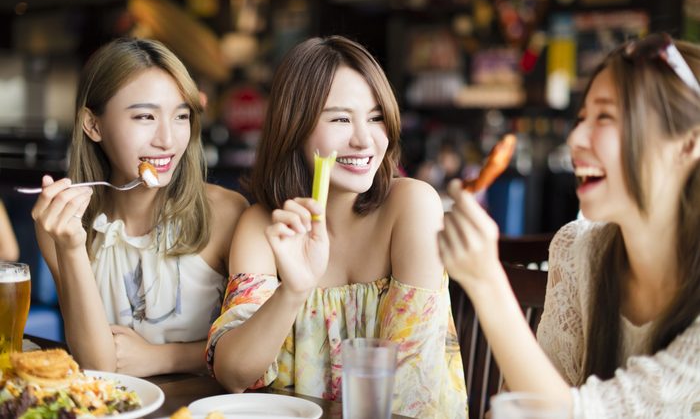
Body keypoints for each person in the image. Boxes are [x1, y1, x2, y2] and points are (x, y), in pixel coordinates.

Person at [439, 32, 700, 418]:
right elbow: (525, 404)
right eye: (581, 118)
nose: (576, 137)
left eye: (606, 117)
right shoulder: (579, 251)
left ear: (688, 144)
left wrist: (485, 280)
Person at [207, 36, 467, 418]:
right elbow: (232, 375)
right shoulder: (264, 224)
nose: (364, 139)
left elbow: (410, 388)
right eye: (341, 118)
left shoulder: (411, 205)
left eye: (376, 117)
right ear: (294, 128)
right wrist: (294, 290)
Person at [31, 38, 249, 377]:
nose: (168, 139)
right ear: (93, 125)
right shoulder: (65, 224)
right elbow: (96, 365)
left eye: (181, 116)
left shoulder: (225, 212)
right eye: (146, 116)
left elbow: (261, 347)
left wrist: (165, 358)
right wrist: (71, 247)